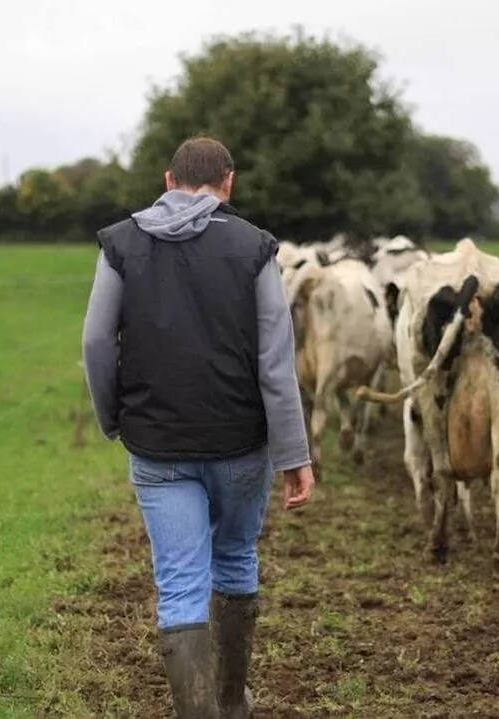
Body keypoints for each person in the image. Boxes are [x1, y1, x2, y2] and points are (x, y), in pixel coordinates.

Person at [82, 136, 316, 718]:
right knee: (235, 556)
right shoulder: (255, 246)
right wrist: (294, 454)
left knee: (180, 583)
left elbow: (94, 340)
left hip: (156, 448)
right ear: (228, 183)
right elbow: (275, 360)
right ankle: (233, 703)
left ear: (168, 180)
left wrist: (115, 418)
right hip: (241, 444)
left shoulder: (120, 243)